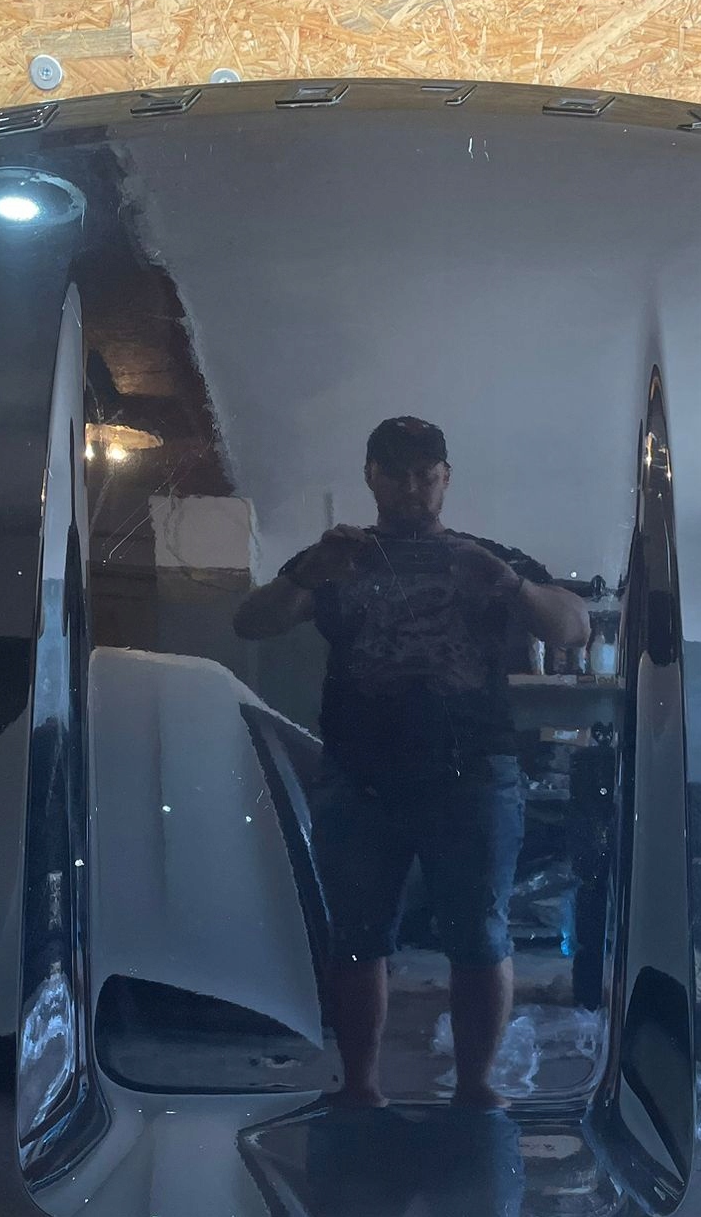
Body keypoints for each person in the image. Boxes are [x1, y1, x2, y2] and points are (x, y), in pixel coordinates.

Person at [233, 417, 589, 1107]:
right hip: (361, 775)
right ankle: (360, 1088)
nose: (412, 489)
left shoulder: (487, 558)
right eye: (396, 474)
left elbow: (573, 628)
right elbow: (251, 623)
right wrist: (308, 571)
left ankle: (477, 1091)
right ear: (371, 477)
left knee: (480, 936)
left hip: (472, 772)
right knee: (357, 938)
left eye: (426, 475)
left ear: (446, 478)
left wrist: (510, 585)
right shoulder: (335, 558)